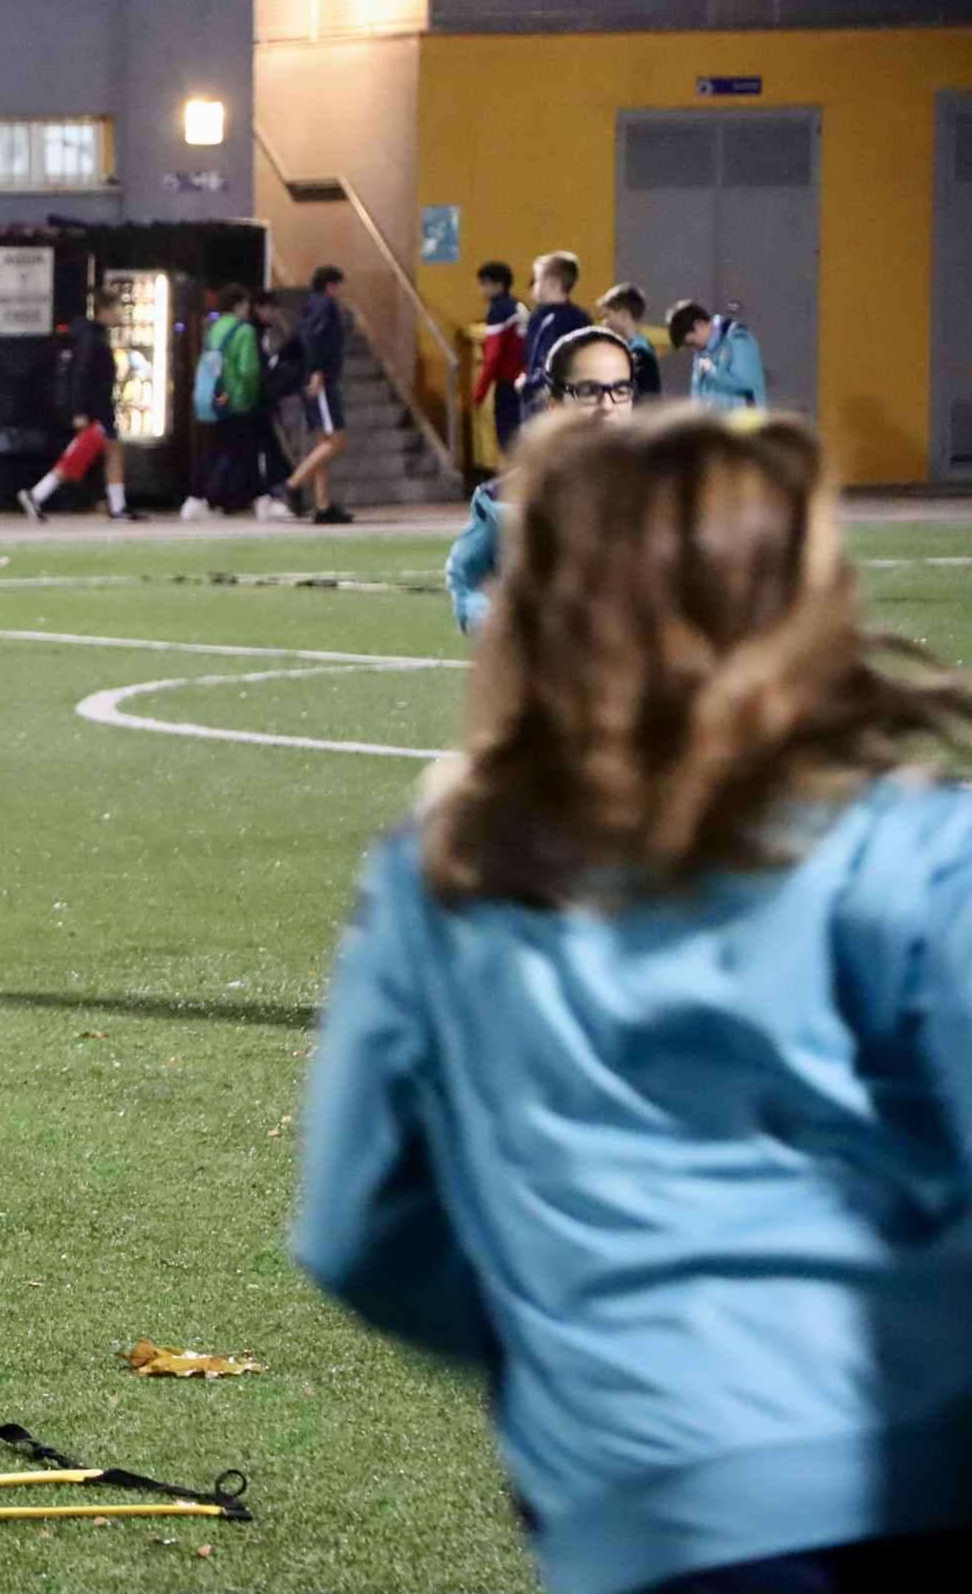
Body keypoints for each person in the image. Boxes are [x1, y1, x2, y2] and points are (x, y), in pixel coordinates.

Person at [297, 403, 972, 1594]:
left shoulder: (445, 872)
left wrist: (571, 1334)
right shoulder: (918, 850)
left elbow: (360, 1234)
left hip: (644, 1506)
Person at [446, 325, 638, 633]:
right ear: (555, 404)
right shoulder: (506, 499)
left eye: (620, 390)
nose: (608, 406)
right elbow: (468, 579)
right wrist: (499, 628)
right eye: (588, 391)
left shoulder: (668, 488)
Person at [17, 290, 139, 523]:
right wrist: (79, 410)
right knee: (81, 456)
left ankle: (117, 505)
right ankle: (38, 494)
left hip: (97, 407)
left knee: (104, 452)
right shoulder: (93, 340)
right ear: (105, 310)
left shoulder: (91, 336)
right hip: (96, 409)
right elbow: (81, 376)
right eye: (116, 309)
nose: (120, 314)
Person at [179, 283, 265, 518]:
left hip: (215, 398)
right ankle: (250, 498)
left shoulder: (216, 329)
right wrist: (251, 394)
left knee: (216, 448)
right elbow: (249, 371)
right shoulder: (244, 331)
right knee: (243, 450)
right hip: (237, 399)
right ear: (239, 305)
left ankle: (199, 498)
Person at [279, 265, 352, 524]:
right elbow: (314, 337)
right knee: (336, 441)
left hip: (309, 378)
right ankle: (293, 484)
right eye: (340, 284)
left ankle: (323, 505)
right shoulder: (326, 306)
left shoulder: (310, 306)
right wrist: (318, 370)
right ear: (332, 284)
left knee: (324, 443)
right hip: (319, 380)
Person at [515, 251, 590, 424]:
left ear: (552, 282)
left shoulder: (552, 322)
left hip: (547, 407)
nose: (534, 286)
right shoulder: (581, 318)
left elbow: (549, 366)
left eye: (538, 279)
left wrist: (527, 385)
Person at [669, 298, 768, 412]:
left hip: (744, 424)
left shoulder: (737, 338)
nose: (693, 348)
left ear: (699, 324)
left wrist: (711, 370)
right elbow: (697, 395)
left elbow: (747, 381)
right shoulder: (702, 352)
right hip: (715, 425)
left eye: (691, 343)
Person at [469, 260, 526, 457]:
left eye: (484, 283)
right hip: (525, 381)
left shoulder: (498, 311)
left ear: (497, 284)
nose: (481, 289)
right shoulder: (519, 307)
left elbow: (493, 355)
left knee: (509, 442)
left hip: (507, 383)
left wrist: (479, 391)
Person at [595, 282, 661, 403]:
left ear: (624, 315)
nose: (604, 322)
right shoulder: (640, 348)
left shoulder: (640, 354)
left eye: (607, 315)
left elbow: (642, 399)